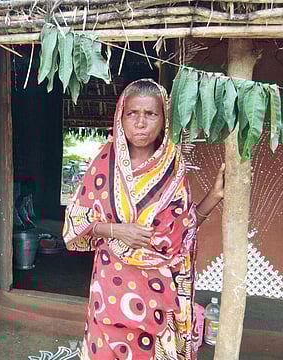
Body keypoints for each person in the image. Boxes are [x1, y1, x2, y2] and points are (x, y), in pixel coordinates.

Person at [62, 79, 224, 359]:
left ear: (164, 120)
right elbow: (74, 224)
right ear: (120, 117)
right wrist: (116, 230)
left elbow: (181, 234)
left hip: (156, 294)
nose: (140, 123)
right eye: (132, 114)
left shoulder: (174, 169)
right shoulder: (103, 161)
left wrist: (214, 197)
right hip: (109, 287)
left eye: (150, 114)